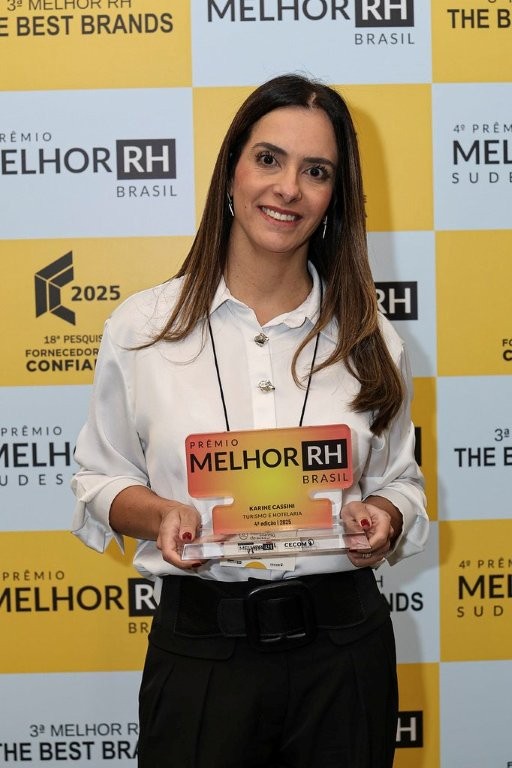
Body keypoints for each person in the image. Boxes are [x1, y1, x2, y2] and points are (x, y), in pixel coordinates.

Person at [71, 73, 428, 768]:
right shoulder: (143, 329)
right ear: (231, 171)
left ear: (334, 197)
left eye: (316, 171)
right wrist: (162, 515)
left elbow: (401, 484)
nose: (288, 188)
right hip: (203, 656)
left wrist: (384, 516)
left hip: (344, 658)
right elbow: (99, 481)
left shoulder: (371, 339)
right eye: (269, 159)